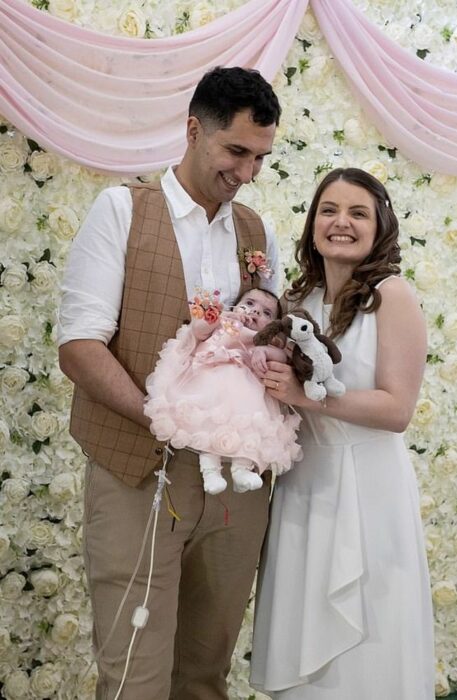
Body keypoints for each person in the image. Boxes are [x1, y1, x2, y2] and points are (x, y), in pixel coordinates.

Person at [57, 66, 281, 700]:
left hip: (236, 484)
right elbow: (79, 345)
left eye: (260, 157)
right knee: (135, 679)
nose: (246, 173)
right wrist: (163, 417)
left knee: (205, 677)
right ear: (192, 130)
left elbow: (267, 334)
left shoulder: (255, 232)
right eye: (235, 151)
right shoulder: (122, 210)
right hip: (136, 472)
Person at [250, 167, 435, 699]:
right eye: (329, 210)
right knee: (304, 627)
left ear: (380, 227)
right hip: (306, 485)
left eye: (358, 213)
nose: (341, 223)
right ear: (312, 223)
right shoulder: (298, 300)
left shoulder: (391, 296)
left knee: (368, 642)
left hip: (367, 487)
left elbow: (397, 408)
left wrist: (306, 397)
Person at [144, 287, 301, 495]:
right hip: (209, 383)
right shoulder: (225, 322)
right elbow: (198, 331)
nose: (256, 312)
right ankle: (210, 472)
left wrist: (263, 351)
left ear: (272, 326)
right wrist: (216, 317)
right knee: (206, 427)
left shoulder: (262, 340)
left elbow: (281, 357)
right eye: (250, 303)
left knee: (249, 429)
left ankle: (242, 469)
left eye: (266, 313)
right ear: (236, 305)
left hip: (244, 396)